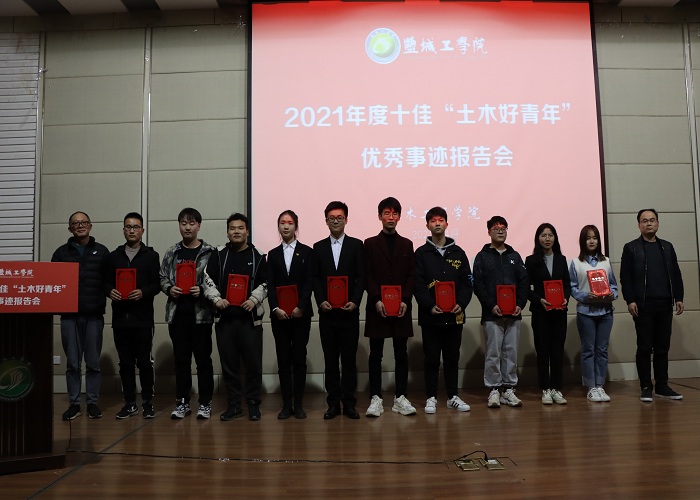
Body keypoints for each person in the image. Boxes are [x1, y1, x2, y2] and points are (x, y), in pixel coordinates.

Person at [204, 213, 268, 421]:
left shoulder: (258, 256)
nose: (236, 231)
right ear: (227, 232)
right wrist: (216, 299)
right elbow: (207, 279)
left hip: (250, 321)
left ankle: (253, 404)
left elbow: (266, 282)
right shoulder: (218, 254)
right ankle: (234, 405)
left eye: (241, 228)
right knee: (229, 365)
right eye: (232, 228)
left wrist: (254, 299)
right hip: (225, 320)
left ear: (247, 231)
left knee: (253, 365)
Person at [620, 209, 684, 402]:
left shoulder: (667, 247)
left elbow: (676, 273)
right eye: (645, 221)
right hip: (643, 306)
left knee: (662, 348)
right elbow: (625, 277)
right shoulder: (631, 248)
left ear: (658, 223)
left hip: (665, 304)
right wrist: (630, 300)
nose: (649, 223)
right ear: (639, 225)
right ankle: (646, 386)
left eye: (652, 220)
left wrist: (679, 297)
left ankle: (662, 386)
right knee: (645, 347)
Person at [52, 211, 110, 420]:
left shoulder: (102, 252)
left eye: (84, 222)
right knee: (73, 364)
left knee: (93, 363)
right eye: (75, 223)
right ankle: (75, 404)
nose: (80, 225)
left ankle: (92, 402)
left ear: (90, 226)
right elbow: (53, 283)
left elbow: (108, 281)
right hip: (69, 317)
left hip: (94, 315)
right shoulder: (61, 253)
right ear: (70, 228)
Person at [414, 207, 472, 414]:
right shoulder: (421, 254)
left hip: (454, 316)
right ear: (427, 225)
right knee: (431, 358)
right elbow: (417, 285)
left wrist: (461, 303)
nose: (437, 223)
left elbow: (467, 283)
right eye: (433, 220)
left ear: (447, 224)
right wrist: (430, 305)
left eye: (441, 220)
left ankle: (452, 396)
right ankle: (431, 397)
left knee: (452, 358)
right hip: (431, 317)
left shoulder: (459, 253)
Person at [159, 208, 215, 419]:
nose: (187, 227)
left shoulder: (210, 252)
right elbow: (162, 277)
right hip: (177, 315)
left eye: (191, 223)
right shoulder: (172, 252)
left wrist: (201, 290)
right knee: (181, 361)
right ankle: (182, 402)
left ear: (199, 226)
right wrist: (169, 288)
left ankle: (205, 403)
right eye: (183, 223)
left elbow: (215, 281)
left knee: (203, 361)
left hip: (201, 315)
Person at [363, 197, 417, 418]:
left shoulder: (407, 244)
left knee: (401, 353)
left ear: (400, 217)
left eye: (395, 213)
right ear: (380, 216)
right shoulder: (369, 244)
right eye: (387, 213)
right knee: (375, 354)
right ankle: (375, 397)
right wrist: (376, 299)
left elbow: (411, 275)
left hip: (401, 307)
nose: (391, 217)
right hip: (378, 307)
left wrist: (405, 299)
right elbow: (367, 274)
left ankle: (400, 397)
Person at [313, 201, 366, 420]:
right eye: (332, 218)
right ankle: (333, 404)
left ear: (346, 220)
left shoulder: (357, 245)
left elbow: (361, 277)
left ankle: (349, 404)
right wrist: (320, 301)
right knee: (331, 361)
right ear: (326, 221)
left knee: (349, 361)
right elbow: (316, 279)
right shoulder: (318, 247)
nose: (336, 221)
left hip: (349, 313)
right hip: (327, 314)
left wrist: (355, 301)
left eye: (339, 217)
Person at [106, 212, 161, 419]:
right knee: (125, 364)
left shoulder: (151, 256)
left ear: (142, 230)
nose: (132, 230)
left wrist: (143, 292)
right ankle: (129, 403)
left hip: (143, 319)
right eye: (128, 227)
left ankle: (147, 402)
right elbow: (105, 282)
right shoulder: (114, 256)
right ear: (123, 230)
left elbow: (157, 284)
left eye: (136, 227)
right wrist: (109, 291)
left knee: (145, 363)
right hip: (120, 319)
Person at [473, 215, 529, 408]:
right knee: (493, 353)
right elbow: (478, 284)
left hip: (513, 314)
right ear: (489, 231)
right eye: (495, 228)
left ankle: (509, 389)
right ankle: (494, 390)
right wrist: (491, 305)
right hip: (492, 314)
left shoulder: (515, 256)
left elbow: (524, 282)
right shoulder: (482, 257)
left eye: (503, 227)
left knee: (511, 352)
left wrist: (520, 304)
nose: (500, 230)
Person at [266, 210, 314, 420]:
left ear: (296, 226)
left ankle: (299, 405)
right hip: (280, 316)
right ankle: (286, 405)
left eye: (290, 223)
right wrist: (275, 308)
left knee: (299, 359)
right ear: (278, 226)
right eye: (282, 223)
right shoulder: (272, 254)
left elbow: (309, 282)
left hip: (301, 315)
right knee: (283, 360)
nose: (286, 226)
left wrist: (301, 306)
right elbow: (270, 284)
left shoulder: (307, 252)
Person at [569, 224, 618, 402]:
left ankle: (600, 385)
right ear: (583, 241)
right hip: (586, 312)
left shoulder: (606, 261)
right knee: (588, 350)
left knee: (602, 350)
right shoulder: (576, 263)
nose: (592, 241)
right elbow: (572, 288)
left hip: (605, 312)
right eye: (588, 238)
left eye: (595, 238)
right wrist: (585, 296)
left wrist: (612, 294)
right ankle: (591, 387)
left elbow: (614, 285)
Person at [525, 223, 571, 405]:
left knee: (557, 351)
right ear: (538, 238)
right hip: (540, 312)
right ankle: (545, 388)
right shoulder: (531, 260)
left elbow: (566, 284)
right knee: (543, 351)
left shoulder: (561, 259)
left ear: (555, 238)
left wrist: (565, 298)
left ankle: (557, 389)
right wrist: (538, 300)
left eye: (550, 235)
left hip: (559, 312)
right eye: (543, 235)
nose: (547, 238)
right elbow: (525, 288)